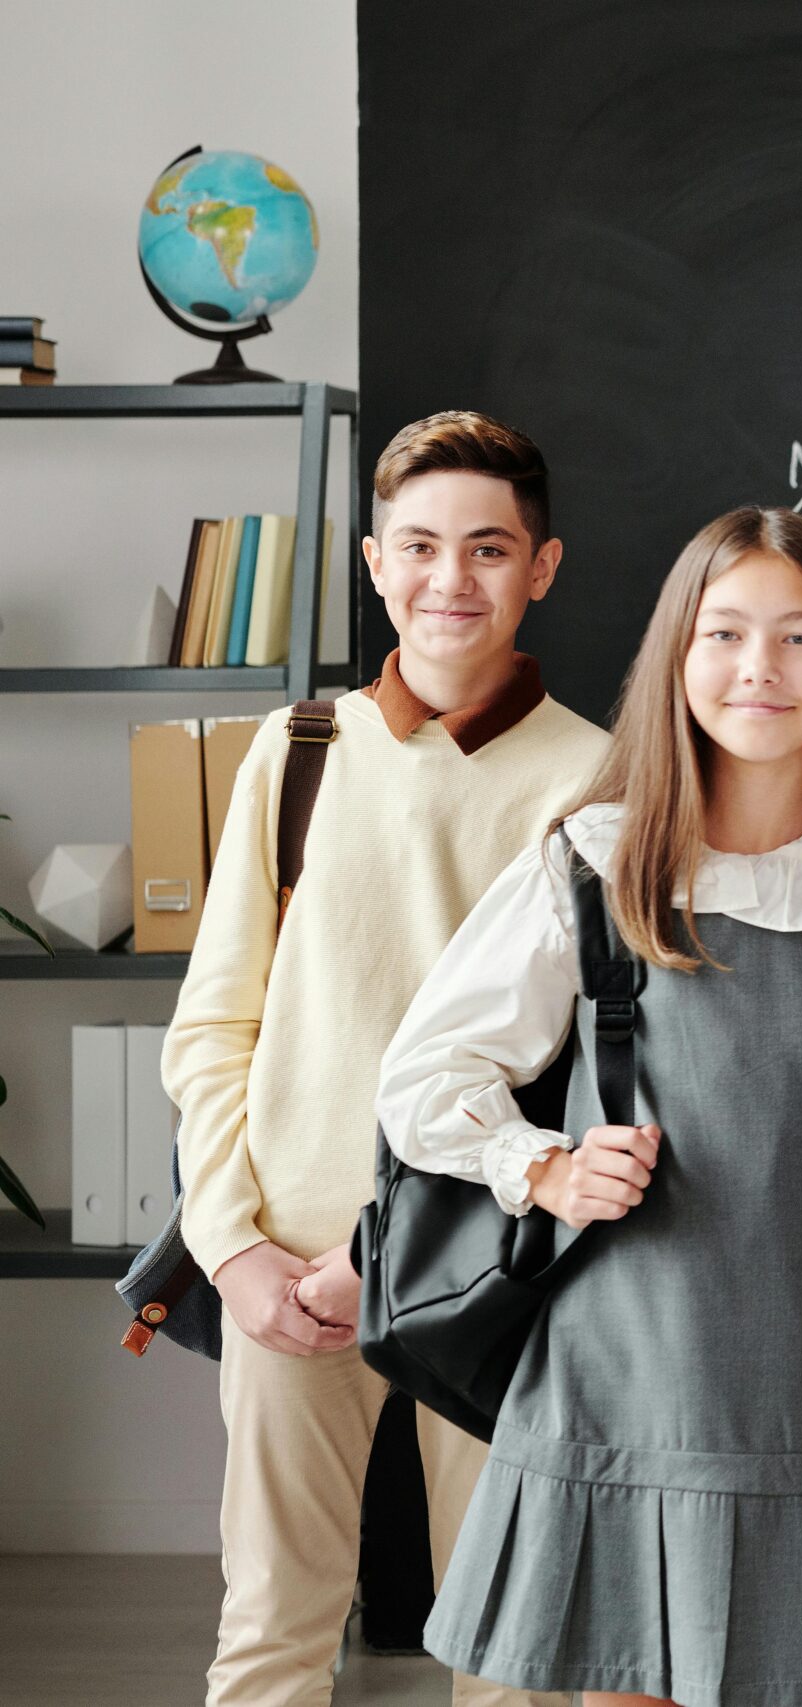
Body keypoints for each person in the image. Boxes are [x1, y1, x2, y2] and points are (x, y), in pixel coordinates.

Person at [373, 508, 802, 1707]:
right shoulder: (595, 860)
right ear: (678, 656)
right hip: (621, 1380)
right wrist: (539, 1164)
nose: (761, 669)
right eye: (726, 634)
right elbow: (423, 1077)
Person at [163, 410, 605, 1707]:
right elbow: (214, 1025)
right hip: (283, 1266)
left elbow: (588, 1061)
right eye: (419, 545)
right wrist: (231, 1246)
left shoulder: (601, 776)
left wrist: (393, 1249)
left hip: (493, 1265)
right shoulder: (296, 754)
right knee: (268, 1632)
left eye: (486, 547)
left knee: (510, 1653)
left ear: (544, 565)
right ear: (373, 560)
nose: (449, 578)